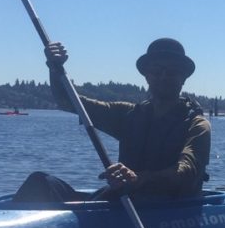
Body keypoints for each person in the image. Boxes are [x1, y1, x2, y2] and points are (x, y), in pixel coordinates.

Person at [16, 38, 210, 204]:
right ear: (146, 75)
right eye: (156, 70)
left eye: (172, 71)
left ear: (183, 77)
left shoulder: (197, 124)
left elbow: (186, 171)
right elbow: (70, 102)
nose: (163, 76)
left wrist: (138, 179)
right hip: (125, 201)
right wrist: (54, 67)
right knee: (40, 183)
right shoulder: (129, 114)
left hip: (169, 206)